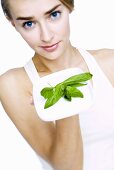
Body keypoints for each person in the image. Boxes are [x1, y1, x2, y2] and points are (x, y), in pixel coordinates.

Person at [0, 0, 114, 170]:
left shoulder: (109, 63)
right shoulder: (14, 84)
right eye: (29, 23)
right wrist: (63, 101)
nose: (46, 36)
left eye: (54, 15)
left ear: (69, 6)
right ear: (13, 23)